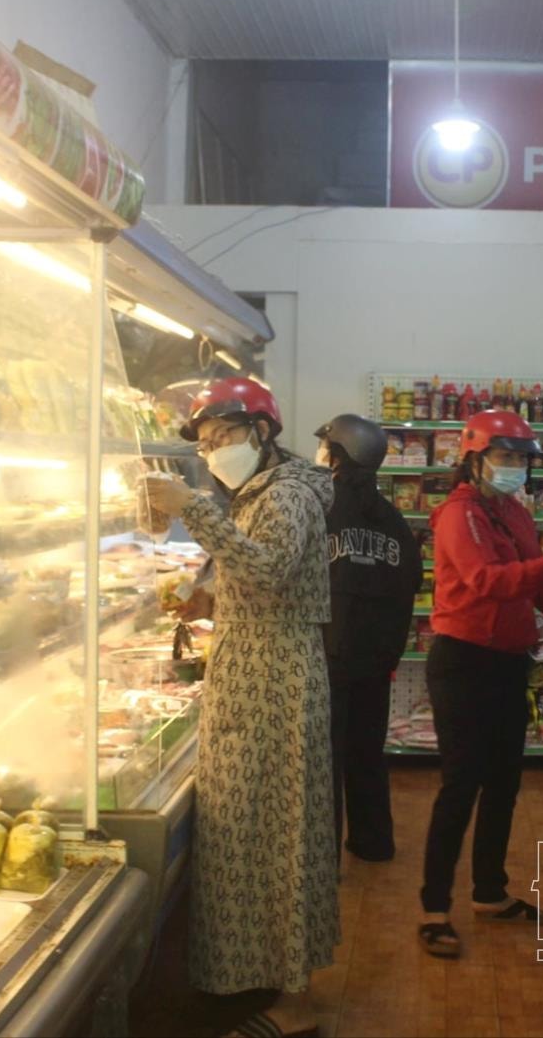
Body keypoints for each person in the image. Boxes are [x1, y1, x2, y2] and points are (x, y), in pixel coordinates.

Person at [142, 378, 338, 1038]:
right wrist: (209, 596)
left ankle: (253, 984)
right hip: (257, 676)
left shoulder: (284, 494)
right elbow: (254, 577)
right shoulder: (259, 492)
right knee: (253, 833)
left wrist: (193, 510)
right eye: (202, 443)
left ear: (259, 431)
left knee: (259, 832)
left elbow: (270, 570)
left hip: (271, 686)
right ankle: (248, 976)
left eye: (220, 436)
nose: (211, 450)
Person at [416, 409, 543, 959]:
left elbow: (540, 585)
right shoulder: (457, 514)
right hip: (463, 663)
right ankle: (434, 908)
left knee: (505, 784)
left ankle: (489, 892)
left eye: (521, 459)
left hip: (509, 662)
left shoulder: (514, 511)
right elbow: (486, 581)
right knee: (460, 786)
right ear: (475, 458)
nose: (515, 467)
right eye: (505, 457)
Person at [316, 414, 423, 863]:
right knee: (366, 755)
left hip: (328, 657)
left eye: (326, 449)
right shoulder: (394, 521)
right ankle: (373, 843)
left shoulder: (319, 509)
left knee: (326, 761)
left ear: (336, 455)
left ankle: (324, 863)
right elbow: (413, 581)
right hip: (378, 662)